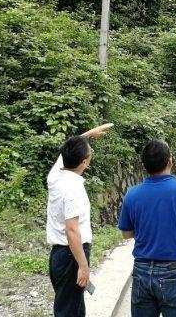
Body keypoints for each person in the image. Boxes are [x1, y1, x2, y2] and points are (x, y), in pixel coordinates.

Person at [118, 139, 176, 317]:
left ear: (144, 165)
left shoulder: (132, 194)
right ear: (170, 161)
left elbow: (126, 233)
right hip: (175, 273)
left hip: (142, 272)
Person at [47, 122, 114, 317]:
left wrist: (89, 134)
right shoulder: (73, 189)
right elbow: (72, 230)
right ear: (84, 162)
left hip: (60, 255)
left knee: (74, 307)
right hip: (72, 256)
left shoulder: (55, 177)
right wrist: (83, 266)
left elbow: (67, 149)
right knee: (69, 311)